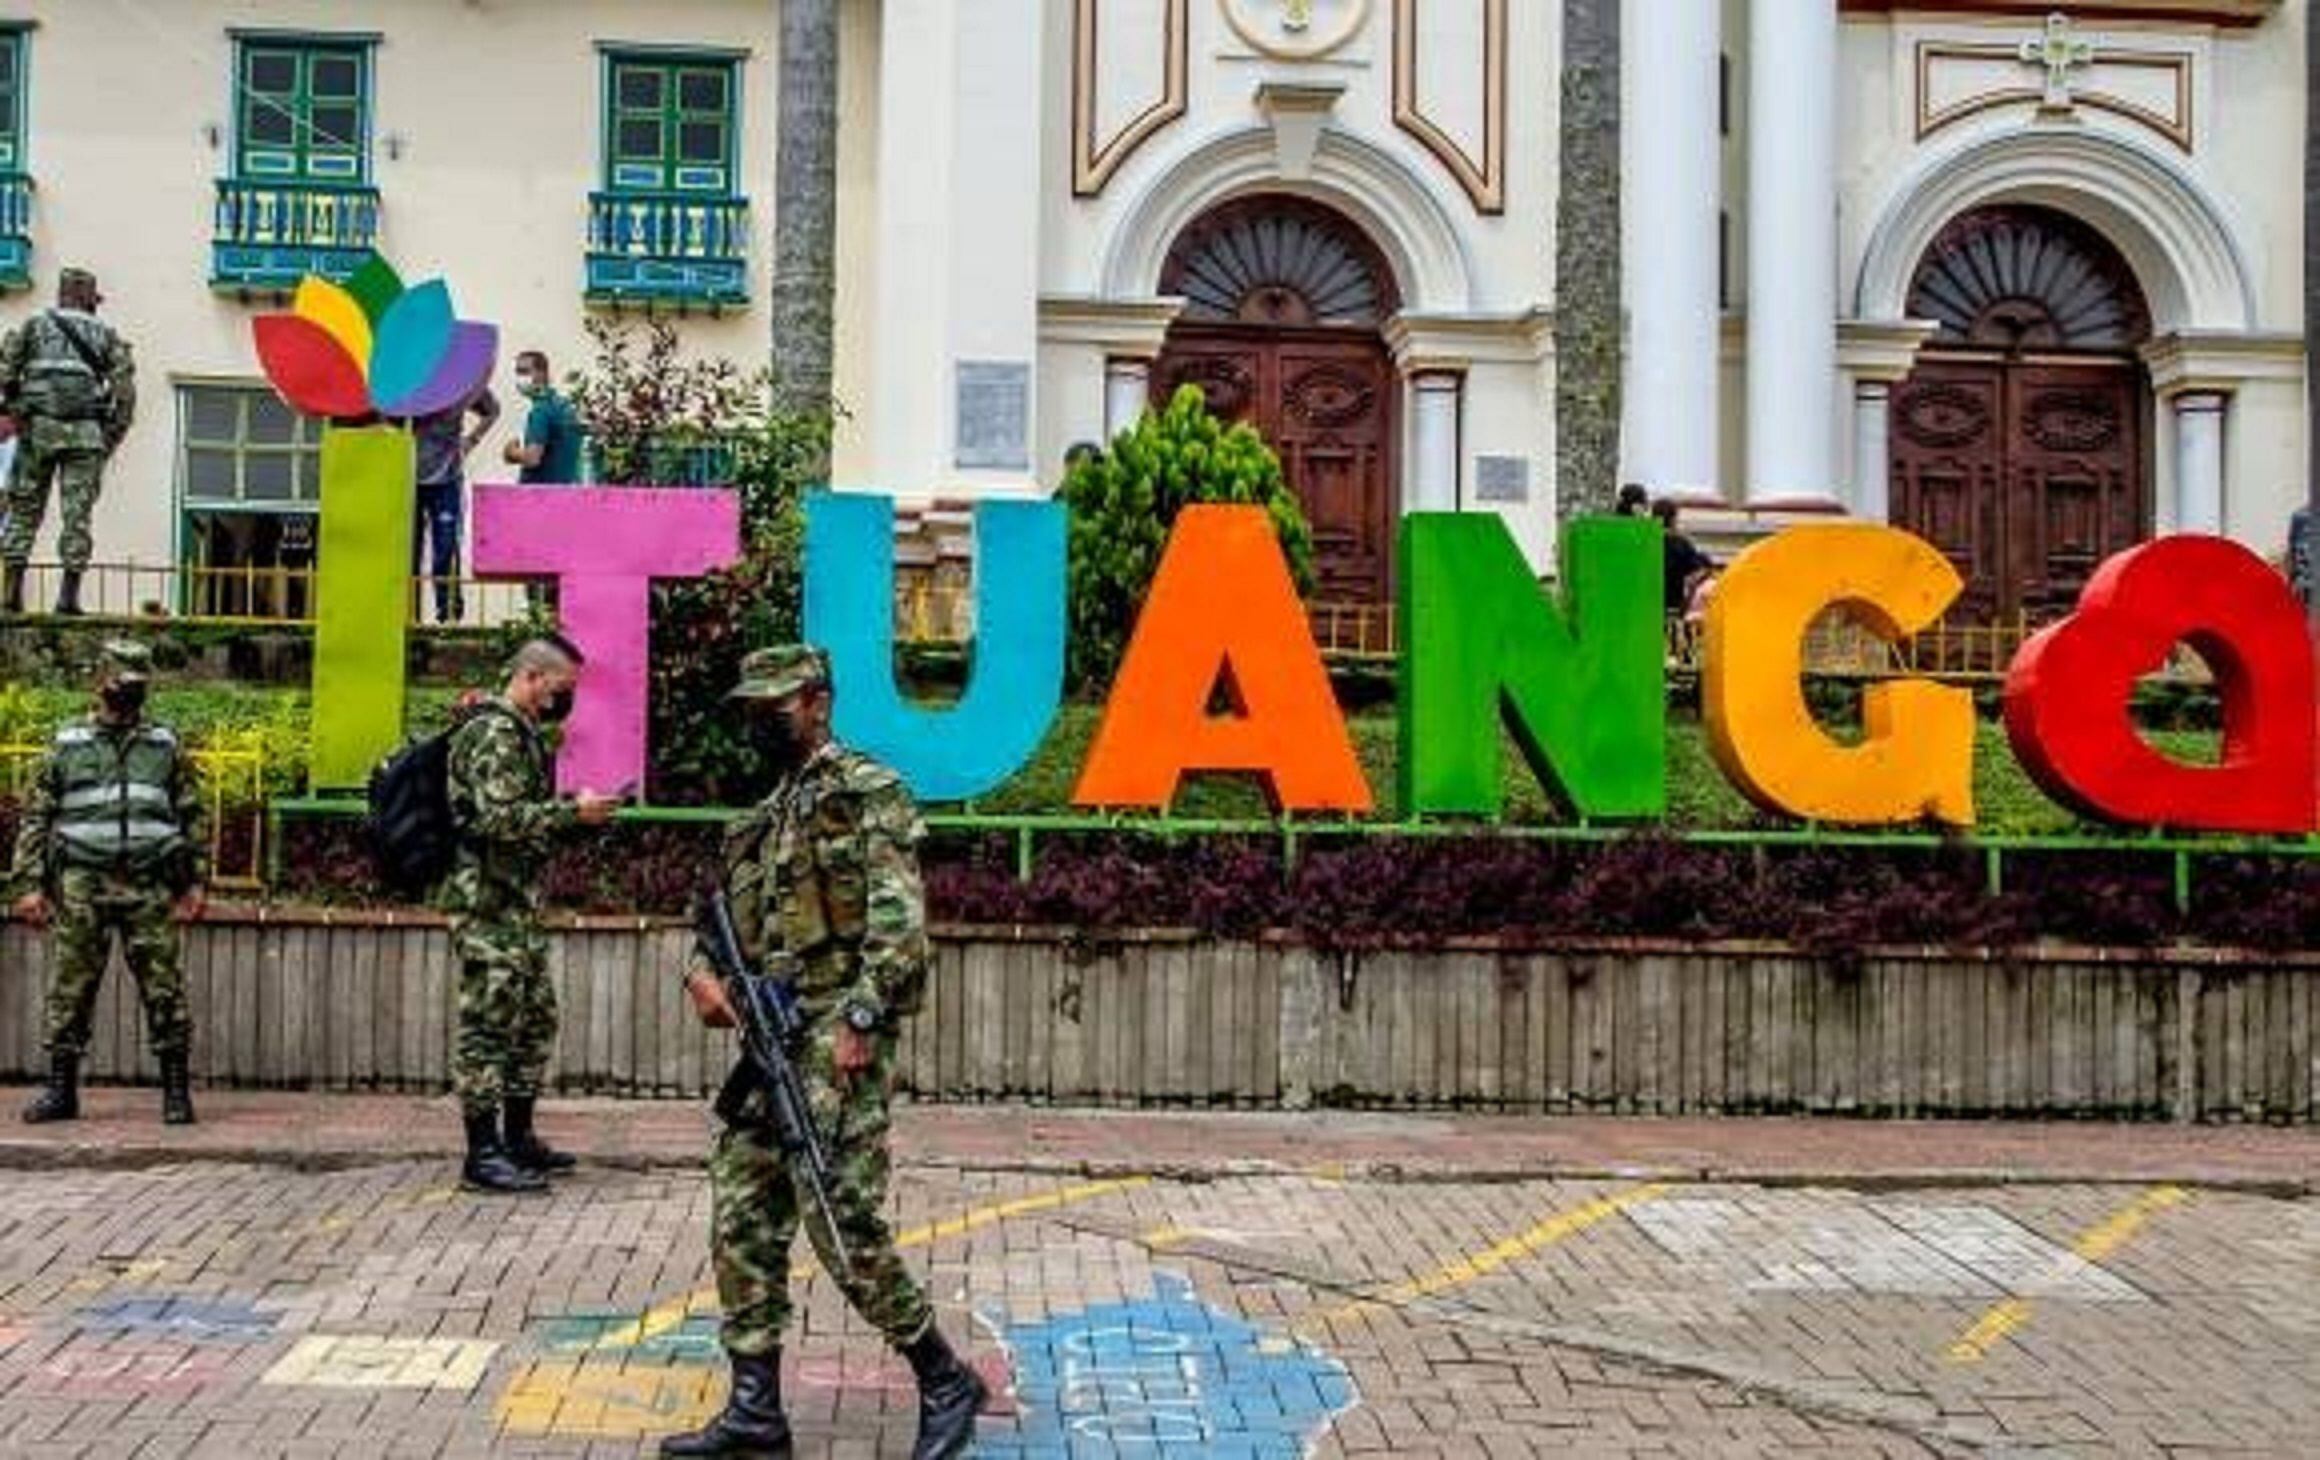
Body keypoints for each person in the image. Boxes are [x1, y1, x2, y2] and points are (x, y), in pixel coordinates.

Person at [662, 645, 986, 1460]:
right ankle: (754, 1409)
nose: (761, 720)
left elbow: (900, 928)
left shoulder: (864, 793)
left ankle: (944, 1377)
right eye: (753, 708)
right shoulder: (760, 820)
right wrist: (702, 979)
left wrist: (861, 1023)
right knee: (741, 1218)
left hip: (835, 1038)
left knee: (840, 1220)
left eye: (775, 705)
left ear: (817, 701)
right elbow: (716, 934)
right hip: (765, 1044)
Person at [442, 634, 620, 1194]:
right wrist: (573, 813)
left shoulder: (516, 731)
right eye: (558, 689)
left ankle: (517, 1138)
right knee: (487, 1030)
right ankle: (481, 1153)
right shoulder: (494, 733)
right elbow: (498, 820)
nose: (558, 701)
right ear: (532, 676)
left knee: (535, 1020)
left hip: (515, 906)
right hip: (487, 906)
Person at [7, 640, 202, 1125]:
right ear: (100, 683)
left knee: (164, 989)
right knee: (70, 988)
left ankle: (176, 1093)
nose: (128, 697)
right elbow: (37, 815)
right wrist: (28, 885)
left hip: (149, 881)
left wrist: (195, 883)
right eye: (121, 686)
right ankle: (61, 1090)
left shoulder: (164, 744)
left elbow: (191, 815)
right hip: (82, 883)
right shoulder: (67, 743)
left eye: (137, 688)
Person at [0, 268, 137, 617]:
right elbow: (124, 394)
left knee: (23, 510)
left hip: (37, 431)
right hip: (85, 435)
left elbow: (5, 374)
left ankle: (11, 594)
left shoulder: (32, 324)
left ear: (62, 295)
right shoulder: (106, 334)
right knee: (77, 516)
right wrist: (109, 439)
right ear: (89, 299)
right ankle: (68, 597)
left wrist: (18, 412)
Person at [409, 386, 500, 624]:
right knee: (409, 551)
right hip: (407, 480)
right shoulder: (409, 378)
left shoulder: (459, 379)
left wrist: (472, 440)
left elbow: (492, 410)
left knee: (445, 550)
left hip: (447, 479)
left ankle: (448, 613)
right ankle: (408, 615)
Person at [502, 350, 584, 486]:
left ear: (541, 374)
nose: (519, 377)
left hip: (539, 495)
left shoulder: (541, 410)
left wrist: (511, 453)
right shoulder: (565, 406)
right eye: (517, 372)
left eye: (524, 371)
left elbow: (532, 458)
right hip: (564, 491)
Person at [1653, 497, 1715, 618]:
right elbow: (1699, 572)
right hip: (1673, 606)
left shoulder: (1645, 542)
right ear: (1672, 519)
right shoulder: (1680, 543)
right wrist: (1688, 598)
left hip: (1647, 605)